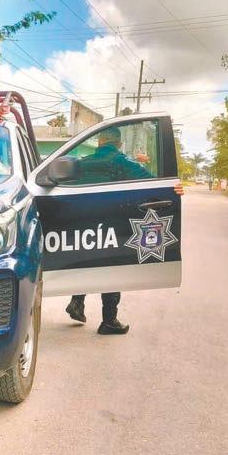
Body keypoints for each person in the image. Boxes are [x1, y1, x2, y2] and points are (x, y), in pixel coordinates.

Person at [66, 126, 152, 335]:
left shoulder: (83, 163)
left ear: (99, 142)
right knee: (112, 270)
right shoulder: (124, 163)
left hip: (84, 225)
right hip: (112, 225)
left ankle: (77, 301)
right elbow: (153, 181)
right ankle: (109, 321)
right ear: (119, 144)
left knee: (87, 262)